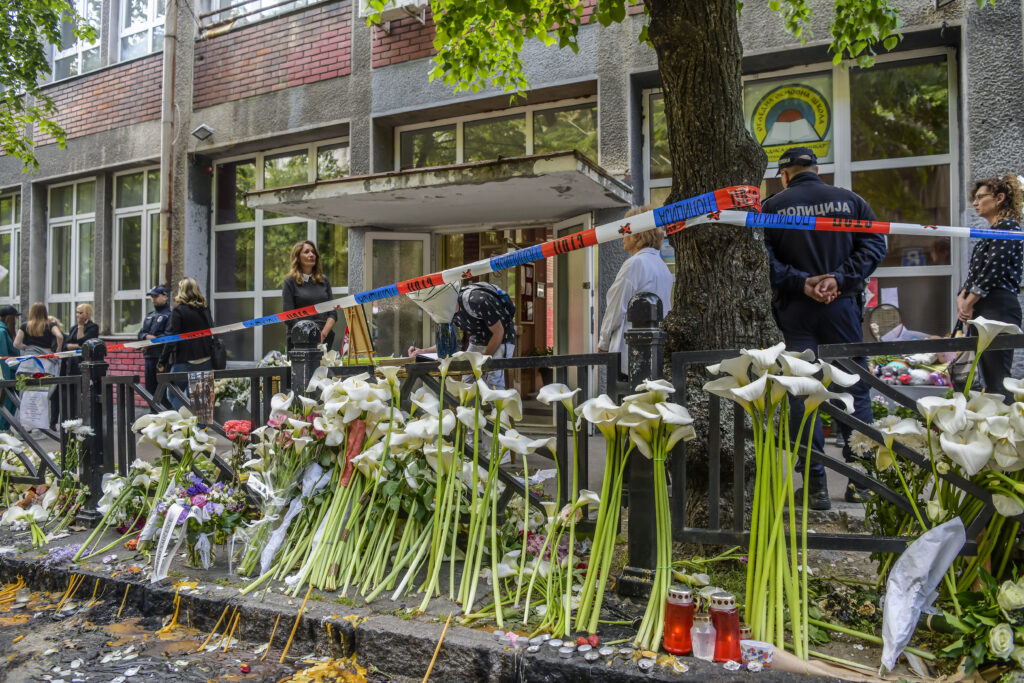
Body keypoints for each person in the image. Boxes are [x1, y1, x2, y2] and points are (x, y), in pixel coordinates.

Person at [762, 146, 887, 510]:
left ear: (784, 174)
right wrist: (838, 279)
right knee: (855, 389)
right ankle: (860, 481)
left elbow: (763, 257)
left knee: (803, 390)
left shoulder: (773, 208)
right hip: (842, 309)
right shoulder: (850, 201)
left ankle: (815, 483)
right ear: (816, 169)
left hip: (795, 311)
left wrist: (801, 282)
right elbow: (875, 245)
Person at [956, 174, 1024, 401]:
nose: (974, 203)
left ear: (999, 198)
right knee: (984, 377)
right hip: (982, 307)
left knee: (997, 380)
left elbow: (993, 270)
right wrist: (961, 298)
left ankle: (1007, 432)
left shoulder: (1008, 227)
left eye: (979, 197)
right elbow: (975, 273)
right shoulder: (990, 232)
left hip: (998, 307)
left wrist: (968, 301)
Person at [597, 204, 674, 379]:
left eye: (627, 229)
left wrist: (603, 342)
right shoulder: (663, 267)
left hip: (629, 353)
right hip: (654, 351)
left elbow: (617, 307)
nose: (622, 235)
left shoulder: (634, 265)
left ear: (638, 233)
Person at [408, 281, 517, 389]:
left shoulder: (476, 300)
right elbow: (452, 344)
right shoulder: (447, 313)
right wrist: (423, 351)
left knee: (493, 381)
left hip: (502, 337)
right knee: (467, 382)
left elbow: (499, 332)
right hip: (478, 337)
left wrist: (482, 361)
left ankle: (497, 406)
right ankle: (468, 407)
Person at [158, 278, 215, 409]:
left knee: (173, 394)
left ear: (181, 291)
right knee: (202, 400)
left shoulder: (179, 311)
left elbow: (172, 337)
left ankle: (189, 418)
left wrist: (162, 361)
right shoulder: (204, 309)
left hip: (185, 360)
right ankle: (200, 428)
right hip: (206, 358)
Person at [282, 241, 338, 350]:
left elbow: (333, 313)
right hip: (299, 340)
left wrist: (321, 335)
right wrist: (308, 336)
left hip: (324, 339)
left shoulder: (323, 280)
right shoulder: (290, 282)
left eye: (313, 252)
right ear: (297, 257)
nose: (311, 255)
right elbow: (288, 316)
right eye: (306, 252)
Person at [139, 285, 172, 399]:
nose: (153, 299)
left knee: (162, 389)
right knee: (150, 389)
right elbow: (141, 333)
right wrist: (147, 337)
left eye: (156, 296)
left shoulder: (169, 315)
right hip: (149, 357)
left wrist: (150, 340)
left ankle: (164, 413)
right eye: (152, 296)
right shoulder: (150, 315)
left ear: (165, 296)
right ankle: (153, 412)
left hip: (161, 358)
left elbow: (168, 336)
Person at [62, 303, 99, 375]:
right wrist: (77, 346)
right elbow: (65, 345)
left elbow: (83, 343)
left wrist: (81, 326)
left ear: (88, 314)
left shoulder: (93, 327)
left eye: (81, 313)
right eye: (77, 312)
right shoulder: (74, 328)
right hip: (72, 361)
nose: (77, 315)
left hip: (84, 361)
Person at [0, 305, 18, 429]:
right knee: (7, 406)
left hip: (11, 375)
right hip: (8, 377)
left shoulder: (4, 331)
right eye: (15, 317)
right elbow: (3, 357)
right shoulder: (2, 332)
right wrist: (6, 381)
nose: (16, 320)